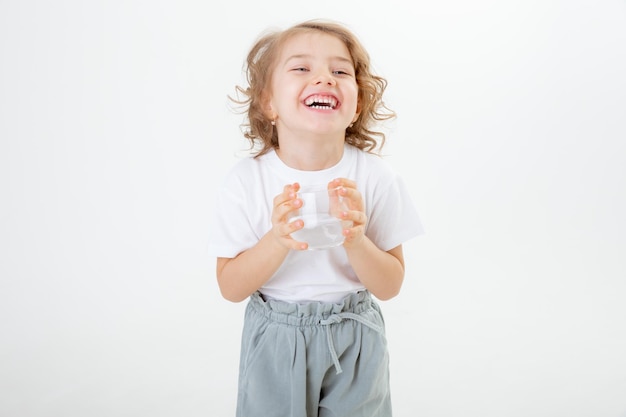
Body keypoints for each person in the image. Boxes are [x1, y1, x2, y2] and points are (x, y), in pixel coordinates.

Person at [208, 19, 423, 417]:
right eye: (302, 68)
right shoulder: (246, 181)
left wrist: (357, 241)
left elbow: (390, 285)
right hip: (275, 337)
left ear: (356, 104)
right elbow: (230, 287)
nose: (324, 78)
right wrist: (275, 241)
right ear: (268, 102)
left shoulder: (377, 178)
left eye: (340, 71)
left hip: (355, 336)